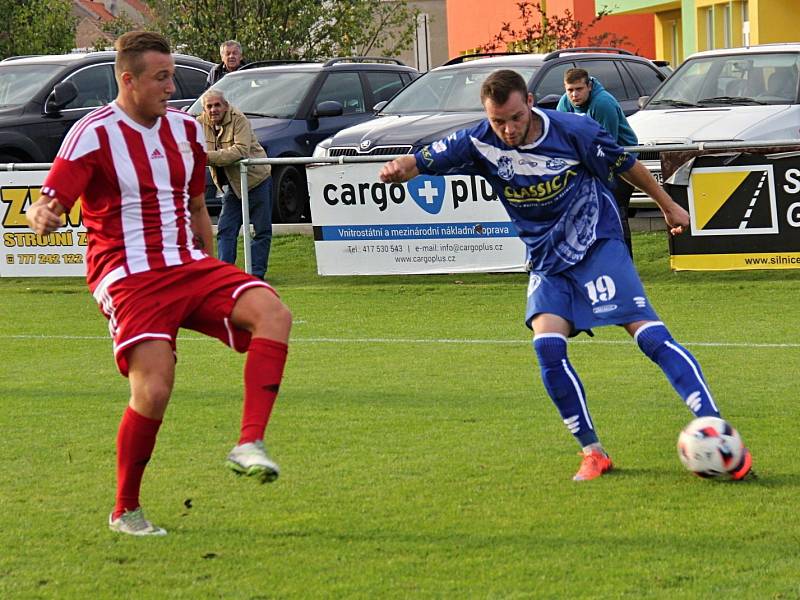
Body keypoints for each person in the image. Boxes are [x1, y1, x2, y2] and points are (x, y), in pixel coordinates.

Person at [379, 69, 752, 482]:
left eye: (515, 118)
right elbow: (425, 158)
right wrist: (401, 167)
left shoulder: (575, 130)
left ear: (531, 102)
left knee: (646, 333)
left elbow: (626, 165)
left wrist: (668, 206)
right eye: (497, 121)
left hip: (597, 243)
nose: (507, 129)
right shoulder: (477, 141)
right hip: (546, 258)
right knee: (548, 347)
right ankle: (593, 453)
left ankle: (715, 429)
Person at [26, 31, 292, 536]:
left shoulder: (186, 134)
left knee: (272, 312)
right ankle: (126, 509)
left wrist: (218, 271)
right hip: (128, 275)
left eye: (173, 75)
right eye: (161, 77)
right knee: (154, 388)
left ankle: (249, 443)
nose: (172, 87)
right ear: (128, 80)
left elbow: (196, 208)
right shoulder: (93, 133)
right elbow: (50, 200)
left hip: (188, 265)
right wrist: (45, 214)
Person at [557, 68, 638, 256]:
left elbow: (606, 146)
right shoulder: (564, 103)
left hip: (621, 164)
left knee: (616, 213)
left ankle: (624, 261)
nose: (574, 95)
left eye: (579, 89)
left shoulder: (603, 104)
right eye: (570, 90)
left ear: (589, 86)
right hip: (589, 161)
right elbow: (562, 140)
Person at [198, 89, 273, 278]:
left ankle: (256, 275)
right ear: (204, 109)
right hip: (231, 184)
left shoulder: (239, 119)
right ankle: (225, 275)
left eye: (217, 105)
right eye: (209, 106)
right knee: (226, 229)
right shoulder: (198, 123)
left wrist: (203, 157)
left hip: (256, 179)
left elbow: (240, 151)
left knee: (261, 230)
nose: (214, 109)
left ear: (226, 106)